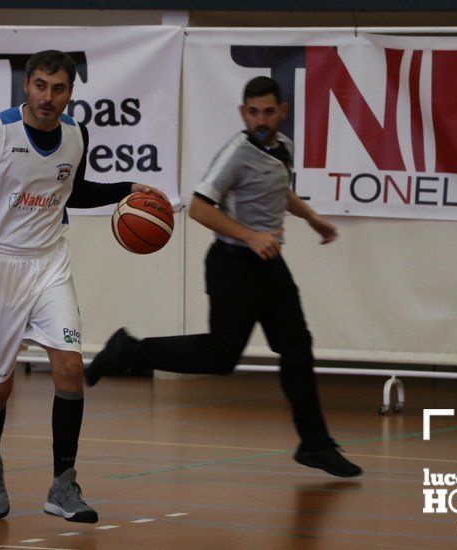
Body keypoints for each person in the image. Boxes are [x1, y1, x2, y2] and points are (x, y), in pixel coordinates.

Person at [84, 76, 362, 478]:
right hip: (233, 264)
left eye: (268, 111)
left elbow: (279, 191)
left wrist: (314, 218)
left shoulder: (282, 147)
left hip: (270, 264)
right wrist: (250, 236)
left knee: (298, 348)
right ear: (243, 113)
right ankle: (128, 351)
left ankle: (315, 444)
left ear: (282, 111)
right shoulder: (236, 152)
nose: (261, 119)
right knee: (219, 357)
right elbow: (199, 208)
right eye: (253, 112)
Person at [0, 50, 167, 522]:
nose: (49, 97)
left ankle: (63, 485)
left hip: (50, 264)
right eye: (41, 85)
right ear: (27, 86)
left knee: (68, 368)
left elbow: (75, 192)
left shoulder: (76, 135)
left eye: (59, 88)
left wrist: (128, 189)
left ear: (70, 92)